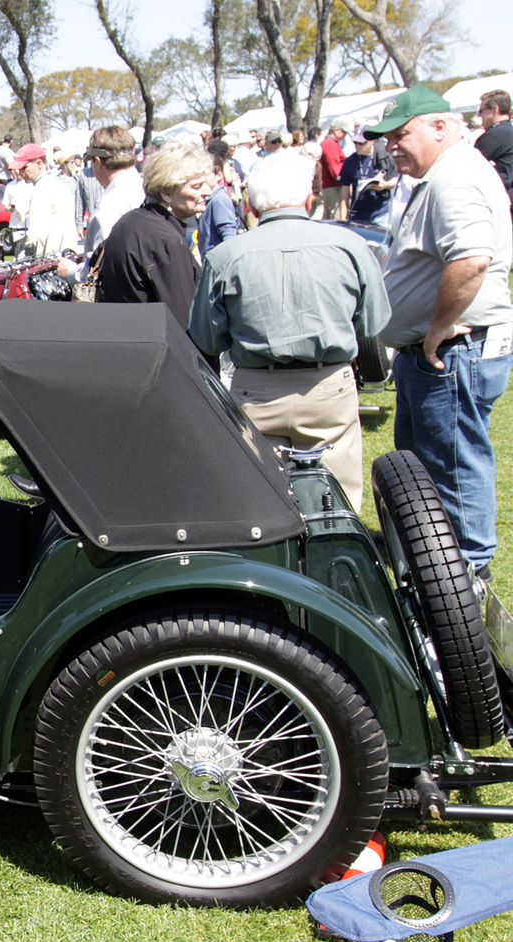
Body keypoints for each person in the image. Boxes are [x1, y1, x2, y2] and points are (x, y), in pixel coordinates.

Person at [189, 150, 390, 512]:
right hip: (329, 386)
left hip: (256, 389)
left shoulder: (225, 257)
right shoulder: (351, 246)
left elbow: (206, 337)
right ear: (309, 198)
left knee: (260, 504)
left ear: (249, 203)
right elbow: (372, 325)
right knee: (339, 506)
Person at [367, 85, 513, 575]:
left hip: (451, 350)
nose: (391, 146)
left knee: (450, 466)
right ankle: (440, 571)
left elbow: (471, 259)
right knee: (428, 469)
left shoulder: (454, 179)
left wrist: (436, 329)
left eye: (400, 135)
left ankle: (466, 580)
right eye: (386, 139)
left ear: (440, 126)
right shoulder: (444, 175)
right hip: (439, 350)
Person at [95, 143, 212, 333]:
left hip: (129, 343)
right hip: (157, 352)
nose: (207, 191)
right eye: (197, 186)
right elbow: (186, 324)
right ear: (166, 192)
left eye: (206, 184)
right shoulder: (165, 240)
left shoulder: (131, 221)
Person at [338, 129, 398, 227]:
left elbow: (396, 179)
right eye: (355, 143)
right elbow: (344, 191)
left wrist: (385, 185)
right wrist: (342, 218)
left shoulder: (384, 158)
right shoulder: (349, 162)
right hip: (357, 214)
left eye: (361, 143)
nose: (357, 146)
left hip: (381, 213)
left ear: (372, 141)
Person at [198, 141, 242, 259]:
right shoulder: (211, 199)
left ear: (218, 175)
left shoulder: (219, 200)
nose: (202, 179)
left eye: (206, 175)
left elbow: (228, 235)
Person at [474, 89, 513, 214]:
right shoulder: (508, 130)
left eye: (481, 111)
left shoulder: (496, 135)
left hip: (501, 200)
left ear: (495, 109)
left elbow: (469, 162)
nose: (479, 116)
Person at [318, 118, 353, 220]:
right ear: (336, 130)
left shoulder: (329, 143)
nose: (345, 135)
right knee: (336, 215)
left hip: (328, 184)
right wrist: (343, 181)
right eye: (344, 132)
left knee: (328, 216)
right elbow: (334, 166)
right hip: (332, 185)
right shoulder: (330, 144)